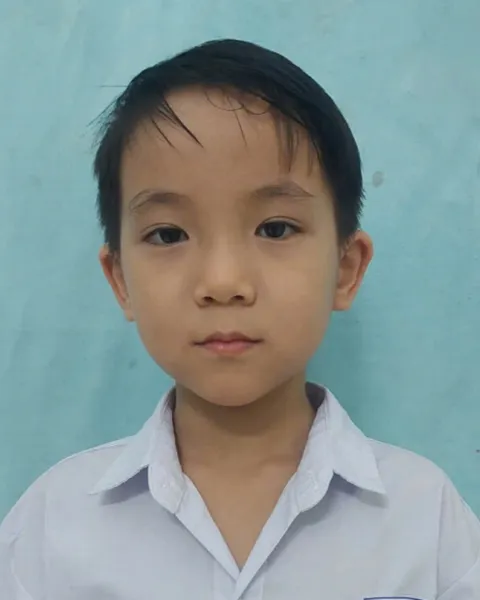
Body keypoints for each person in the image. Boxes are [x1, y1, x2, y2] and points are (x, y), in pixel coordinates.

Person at [1, 38, 478, 600]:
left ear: (346, 269)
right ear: (121, 279)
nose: (223, 281)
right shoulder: (53, 525)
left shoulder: (425, 519)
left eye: (275, 228)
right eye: (168, 234)